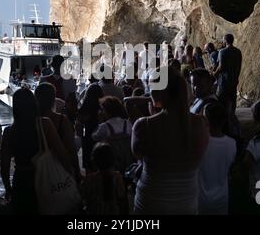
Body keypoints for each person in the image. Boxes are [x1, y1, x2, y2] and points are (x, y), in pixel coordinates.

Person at [132, 66, 209, 214]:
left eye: (150, 86)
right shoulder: (201, 124)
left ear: (157, 91)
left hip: (151, 202)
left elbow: (138, 154)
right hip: (187, 203)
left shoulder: (144, 126)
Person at [0, 88, 71, 214]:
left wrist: (8, 188)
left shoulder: (9, 132)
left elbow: (4, 165)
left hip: (21, 180)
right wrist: (70, 174)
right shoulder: (45, 124)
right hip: (44, 177)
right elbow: (62, 153)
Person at [34, 83, 81, 182]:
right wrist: (76, 172)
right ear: (53, 99)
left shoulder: (31, 122)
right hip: (59, 170)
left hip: (37, 172)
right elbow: (71, 150)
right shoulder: (61, 120)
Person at [198, 103, 236, 215]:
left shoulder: (199, 143)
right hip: (222, 199)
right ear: (224, 121)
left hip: (200, 200)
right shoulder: (231, 144)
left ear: (205, 120)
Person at [80, 143, 128, 215]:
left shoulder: (88, 180)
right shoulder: (117, 177)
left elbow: (82, 199)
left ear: (94, 162)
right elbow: (122, 200)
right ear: (112, 160)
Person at [92, 96, 133, 173]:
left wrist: (99, 122)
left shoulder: (104, 126)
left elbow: (94, 137)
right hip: (128, 160)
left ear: (107, 111)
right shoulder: (127, 123)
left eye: (102, 109)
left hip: (113, 164)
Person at [213, 34, 242, 137]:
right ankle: (232, 122)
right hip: (233, 80)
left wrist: (213, 74)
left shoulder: (222, 52)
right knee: (232, 101)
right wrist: (237, 77)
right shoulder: (238, 52)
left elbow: (220, 67)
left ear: (225, 40)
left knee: (221, 102)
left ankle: (223, 126)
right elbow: (239, 66)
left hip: (224, 81)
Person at [76, 83, 104, 173]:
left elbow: (78, 131)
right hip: (101, 140)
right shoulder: (103, 109)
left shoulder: (83, 110)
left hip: (87, 140)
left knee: (89, 168)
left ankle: (91, 185)